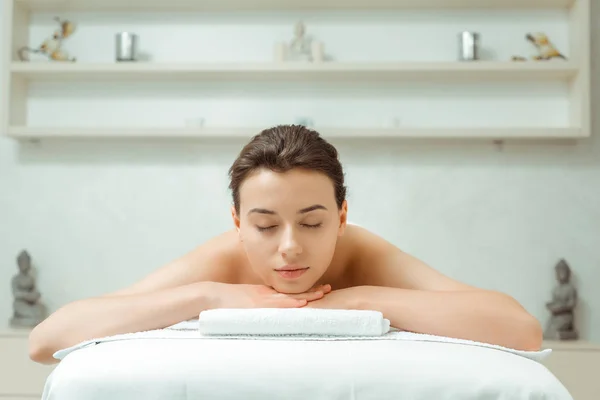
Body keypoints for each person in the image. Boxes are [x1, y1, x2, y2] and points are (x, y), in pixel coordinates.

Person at [28, 124, 543, 365]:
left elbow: (519, 329)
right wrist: (207, 295)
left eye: (313, 223)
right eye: (265, 225)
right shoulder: (222, 261)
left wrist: (357, 298)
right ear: (237, 221)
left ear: (342, 217)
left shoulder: (362, 254)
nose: (290, 248)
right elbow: (47, 339)